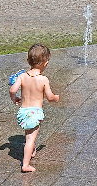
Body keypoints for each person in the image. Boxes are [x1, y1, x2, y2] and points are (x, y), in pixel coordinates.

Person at [9, 44, 59, 172]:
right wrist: (55, 98)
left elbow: (12, 89)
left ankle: (31, 151)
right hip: (35, 113)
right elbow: (49, 97)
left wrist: (14, 98)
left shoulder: (22, 76)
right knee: (30, 139)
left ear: (28, 61)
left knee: (28, 133)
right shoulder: (43, 79)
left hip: (23, 112)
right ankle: (25, 165)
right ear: (45, 63)